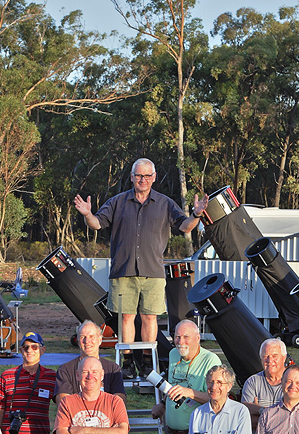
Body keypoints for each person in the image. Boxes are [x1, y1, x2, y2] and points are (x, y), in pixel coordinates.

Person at [72, 158, 204, 378]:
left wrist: (196, 215)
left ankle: (145, 362)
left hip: (153, 271)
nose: (143, 180)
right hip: (123, 271)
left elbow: (185, 226)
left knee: (149, 317)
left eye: (147, 176)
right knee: (126, 318)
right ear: (132, 177)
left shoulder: (165, 203)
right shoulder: (117, 202)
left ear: (154, 178)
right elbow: (96, 223)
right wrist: (87, 214)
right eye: (138, 175)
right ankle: (127, 363)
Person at [151, 319, 220, 434]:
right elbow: (174, 387)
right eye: (177, 337)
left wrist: (190, 392)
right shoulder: (174, 354)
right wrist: (163, 405)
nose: (181, 342)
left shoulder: (210, 360)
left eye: (186, 337)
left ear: (198, 338)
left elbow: (217, 398)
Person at [55, 320, 126, 403]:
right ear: (78, 341)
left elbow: (119, 399)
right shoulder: (65, 370)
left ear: (100, 340)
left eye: (92, 337)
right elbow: (62, 400)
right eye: (82, 337)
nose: (87, 341)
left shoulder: (113, 369)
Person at [240, 338, 290, 421]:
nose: (270, 360)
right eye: (266, 356)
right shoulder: (252, 382)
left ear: (284, 357)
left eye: (274, 356)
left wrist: (258, 410)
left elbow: (296, 417)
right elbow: (246, 418)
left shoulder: (293, 382)